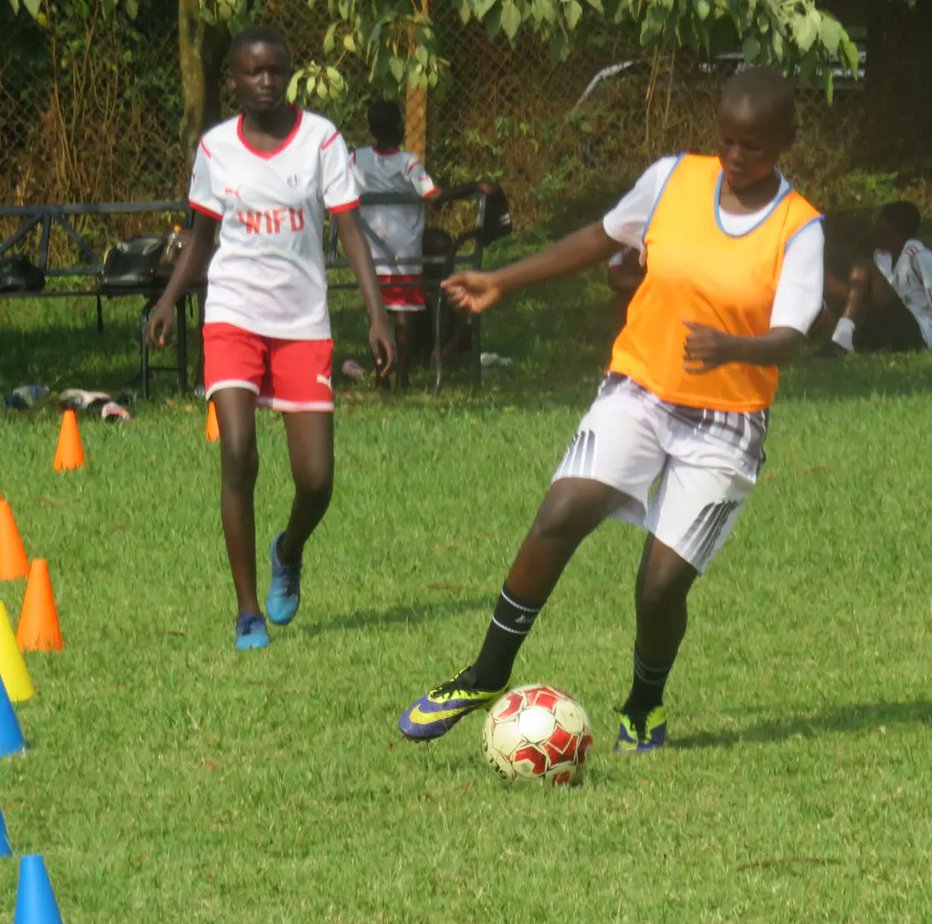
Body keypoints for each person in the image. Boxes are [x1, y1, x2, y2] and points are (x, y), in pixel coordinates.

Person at [397, 66, 824, 751]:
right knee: (562, 510)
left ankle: (644, 706)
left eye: (753, 145)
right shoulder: (673, 179)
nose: (736, 156)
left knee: (660, 587)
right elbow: (601, 237)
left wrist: (734, 347)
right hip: (640, 389)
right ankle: (484, 673)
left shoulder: (799, 228)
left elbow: (793, 335)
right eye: (727, 140)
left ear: (786, 141)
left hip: (727, 422)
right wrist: (503, 280)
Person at [147, 26, 395, 650]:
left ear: (288, 74)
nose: (265, 82)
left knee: (316, 481)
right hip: (232, 314)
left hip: (302, 323)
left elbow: (350, 230)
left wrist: (378, 314)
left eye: (275, 71)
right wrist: (169, 301)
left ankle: (288, 549)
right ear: (233, 79)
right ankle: (247, 611)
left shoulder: (321, 140)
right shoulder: (215, 148)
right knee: (237, 452)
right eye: (253, 72)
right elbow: (201, 237)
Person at [346, 99, 489, 388]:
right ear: (399, 127)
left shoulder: (356, 159)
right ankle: (403, 375)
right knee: (404, 313)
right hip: (405, 252)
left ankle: (381, 375)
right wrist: (473, 187)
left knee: (378, 313)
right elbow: (433, 196)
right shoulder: (407, 162)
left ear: (372, 130)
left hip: (371, 252)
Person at [822, 200, 932, 355]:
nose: (875, 226)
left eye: (880, 221)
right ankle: (842, 337)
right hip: (889, 328)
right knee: (835, 285)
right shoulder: (882, 257)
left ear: (895, 227)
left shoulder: (920, 257)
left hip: (918, 331)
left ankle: (841, 339)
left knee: (862, 267)